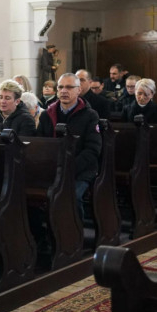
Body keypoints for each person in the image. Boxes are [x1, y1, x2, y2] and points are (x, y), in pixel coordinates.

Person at [37, 73, 101, 219]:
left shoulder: (90, 115)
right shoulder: (47, 114)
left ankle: (75, 230)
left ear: (79, 90)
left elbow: (93, 149)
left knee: (71, 196)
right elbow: (40, 144)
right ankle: (45, 230)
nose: (64, 91)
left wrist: (69, 167)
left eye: (69, 87)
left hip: (80, 171)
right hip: (52, 169)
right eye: (60, 87)